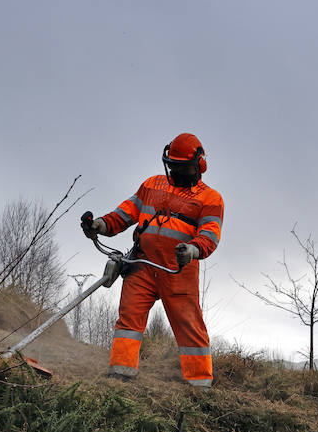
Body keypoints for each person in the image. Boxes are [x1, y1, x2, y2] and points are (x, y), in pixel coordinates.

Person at [82, 132, 224, 387]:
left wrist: (192, 250)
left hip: (178, 271)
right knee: (129, 319)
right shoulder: (151, 185)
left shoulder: (210, 198)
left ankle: (200, 385)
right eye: (173, 166)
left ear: (199, 165)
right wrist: (99, 225)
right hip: (142, 265)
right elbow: (124, 214)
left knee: (189, 325)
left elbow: (210, 235)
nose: (177, 172)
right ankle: (120, 375)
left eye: (182, 167)